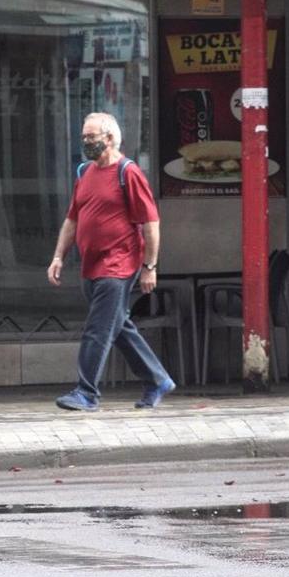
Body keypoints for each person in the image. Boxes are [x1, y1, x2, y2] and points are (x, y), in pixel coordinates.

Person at [46, 112, 174, 412]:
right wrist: (58, 256)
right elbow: (72, 219)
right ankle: (157, 380)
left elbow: (151, 224)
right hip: (91, 265)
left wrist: (149, 267)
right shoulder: (85, 173)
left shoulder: (128, 173)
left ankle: (86, 392)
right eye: (84, 137)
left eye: (91, 137)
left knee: (98, 329)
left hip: (118, 265)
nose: (86, 142)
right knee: (118, 326)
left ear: (111, 138)